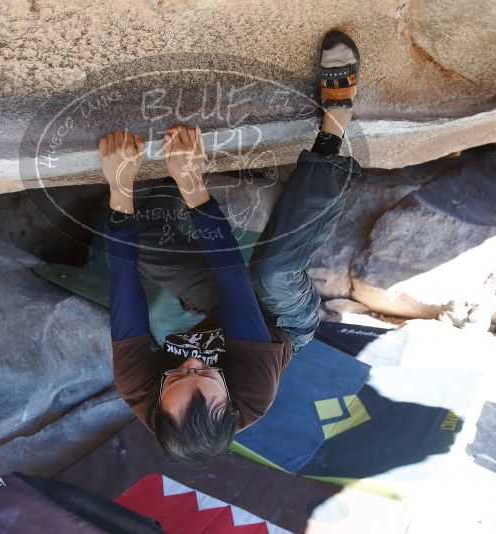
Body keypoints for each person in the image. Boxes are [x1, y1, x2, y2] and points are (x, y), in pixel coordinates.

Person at [99, 30, 362, 463]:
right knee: (271, 271)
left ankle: (159, 185)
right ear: (229, 395)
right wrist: (192, 182)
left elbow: (121, 284)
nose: (188, 365)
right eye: (203, 372)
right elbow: (234, 278)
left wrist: (119, 183)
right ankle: (336, 125)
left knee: (137, 244)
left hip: (215, 313)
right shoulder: (255, 390)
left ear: (156, 402)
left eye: (177, 375)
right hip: (281, 323)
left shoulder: (136, 387)